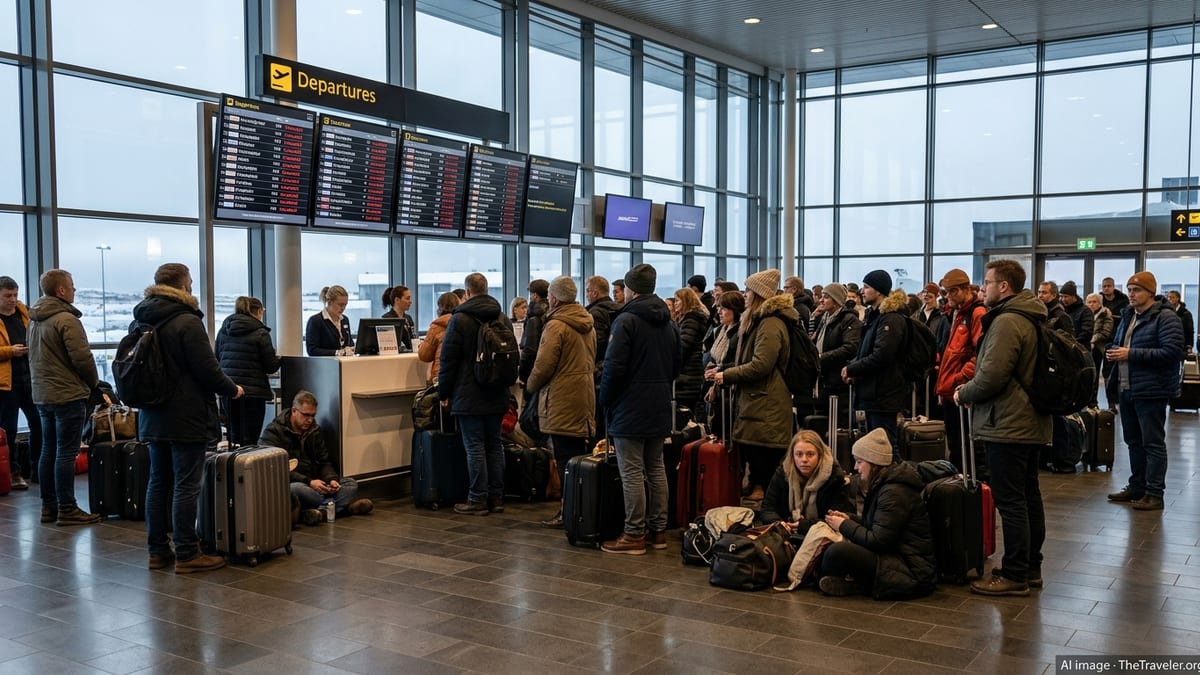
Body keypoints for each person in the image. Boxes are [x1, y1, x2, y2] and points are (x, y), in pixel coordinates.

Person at [134, 263, 242, 573]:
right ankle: (187, 552)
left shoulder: (141, 319)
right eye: (191, 283)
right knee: (186, 485)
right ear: (183, 286)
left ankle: (157, 551)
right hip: (185, 416)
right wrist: (232, 389)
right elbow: (207, 370)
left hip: (152, 414)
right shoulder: (186, 321)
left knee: (158, 482)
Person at [954, 259, 1050, 596]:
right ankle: (1030, 567)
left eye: (987, 282)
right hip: (1028, 420)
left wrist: (963, 392)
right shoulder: (1031, 315)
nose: (983, 288)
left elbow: (992, 375)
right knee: (1027, 495)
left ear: (1004, 287)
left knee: (1010, 500)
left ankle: (1013, 573)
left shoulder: (1008, 320)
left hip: (1008, 422)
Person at [599, 264, 680, 554]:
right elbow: (675, 363)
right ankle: (658, 532)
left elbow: (614, 367)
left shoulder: (626, 321)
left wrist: (605, 398)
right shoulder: (669, 321)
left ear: (631, 289)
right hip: (658, 402)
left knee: (631, 470)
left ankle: (634, 534)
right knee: (656, 467)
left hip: (629, 404)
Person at [818, 428, 937, 599]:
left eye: (859, 462)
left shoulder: (894, 492)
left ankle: (858, 584)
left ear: (874, 462)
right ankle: (853, 582)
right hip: (898, 560)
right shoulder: (887, 485)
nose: (855, 467)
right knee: (832, 553)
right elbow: (879, 526)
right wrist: (851, 519)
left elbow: (878, 540)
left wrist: (844, 525)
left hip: (911, 572)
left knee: (836, 553)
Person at [709, 269, 794, 503]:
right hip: (758, 397)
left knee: (763, 449)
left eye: (748, 290)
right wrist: (723, 370)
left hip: (766, 398)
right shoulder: (758, 320)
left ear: (758, 294)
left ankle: (763, 488)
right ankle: (757, 484)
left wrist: (727, 375)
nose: (744, 294)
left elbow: (761, 365)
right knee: (755, 447)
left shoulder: (770, 324)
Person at [1106, 272, 1185, 513]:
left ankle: (1154, 493)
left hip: (1151, 389)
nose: (1131, 294)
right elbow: (1120, 343)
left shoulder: (1166, 317)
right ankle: (1137, 486)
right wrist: (1114, 350)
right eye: (1129, 289)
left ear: (1150, 292)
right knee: (1133, 441)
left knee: (1152, 443)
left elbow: (1172, 352)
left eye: (1137, 290)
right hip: (1126, 387)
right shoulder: (1128, 315)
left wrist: (1131, 354)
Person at [27, 269, 100, 525]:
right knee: (66, 453)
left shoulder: (34, 319)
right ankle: (67, 508)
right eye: (72, 285)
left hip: (43, 394)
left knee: (48, 449)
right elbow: (82, 358)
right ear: (61, 290)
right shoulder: (66, 320)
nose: (75, 289)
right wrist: (94, 384)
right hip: (67, 394)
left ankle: (49, 507)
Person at [438, 273, 511, 515]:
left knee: (475, 446)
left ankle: (477, 498)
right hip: (498, 391)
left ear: (467, 293)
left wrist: (444, 393)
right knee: (495, 444)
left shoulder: (460, 320)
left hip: (469, 392)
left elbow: (448, 360)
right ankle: (497, 498)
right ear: (486, 289)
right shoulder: (501, 316)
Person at [526, 276, 595, 529]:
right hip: (583, 395)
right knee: (577, 455)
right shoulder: (588, 322)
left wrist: (531, 387)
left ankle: (568, 511)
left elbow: (543, 365)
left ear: (554, 298)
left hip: (561, 397)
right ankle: (579, 508)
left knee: (565, 458)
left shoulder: (556, 326)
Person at [261, 390, 374, 524]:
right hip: (296, 484)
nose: (309, 420)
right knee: (296, 489)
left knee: (350, 484)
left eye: (313, 415)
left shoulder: (314, 430)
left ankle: (319, 513)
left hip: (316, 484)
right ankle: (340, 509)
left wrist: (331, 479)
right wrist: (309, 481)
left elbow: (323, 461)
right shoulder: (274, 432)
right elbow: (275, 468)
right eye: (305, 415)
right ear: (293, 411)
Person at [842, 270, 907, 455]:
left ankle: (895, 482)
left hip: (884, 393)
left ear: (879, 291)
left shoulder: (890, 318)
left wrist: (852, 368)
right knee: (876, 446)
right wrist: (854, 369)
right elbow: (865, 351)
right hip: (873, 392)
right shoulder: (875, 316)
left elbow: (882, 356)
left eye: (866, 287)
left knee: (886, 446)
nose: (863, 291)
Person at [934, 269, 987, 475]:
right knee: (957, 447)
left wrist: (960, 379)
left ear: (965, 289)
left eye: (951, 291)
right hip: (952, 391)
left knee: (968, 448)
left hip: (962, 391)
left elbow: (980, 353)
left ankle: (975, 495)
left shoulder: (976, 313)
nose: (947, 296)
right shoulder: (956, 314)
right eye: (946, 292)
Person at [758, 430, 854, 538]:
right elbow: (767, 509)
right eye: (799, 454)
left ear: (820, 455)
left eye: (810, 454)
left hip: (821, 536)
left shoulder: (835, 477)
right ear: (792, 456)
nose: (804, 460)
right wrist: (778, 524)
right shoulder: (783, 473)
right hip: (786, 533)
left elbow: (837, 520)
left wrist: (803, 526)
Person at [215, 296, 281, 446]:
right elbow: (270, 366)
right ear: (258, 311)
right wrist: (279, 359)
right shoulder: (260, 333)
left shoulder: (224, 330)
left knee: (233, 437)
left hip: (228, 389)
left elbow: (216, 358)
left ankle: (232, 467)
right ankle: (247, 468)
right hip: (253, 392)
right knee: (250, 440)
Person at [1, 275, 38, 491]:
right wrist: (10, 352)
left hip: (29, 376)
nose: (12, 300)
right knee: (9, 429)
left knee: (39, 423)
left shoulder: (24, 313)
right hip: (6, 382)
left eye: (15, 295)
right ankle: (13, 472)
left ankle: (37, 468)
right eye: (7, 296)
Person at [813, 283, 861, 421]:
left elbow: (850, 347)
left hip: (838, 382)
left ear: (836, 300)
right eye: (821, 296)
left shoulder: (849, 319)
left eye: (826, 297)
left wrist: (822, 357)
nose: (821, 300)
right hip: (824, 379)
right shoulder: (825, 318)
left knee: (837, 422)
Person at [702, 292, 746, 437]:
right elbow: (714, 356)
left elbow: (741, 362)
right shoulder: (721, 330)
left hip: (731, 390)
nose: (719, 312)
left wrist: (719, 369)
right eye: (719, 307)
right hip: (718, 387)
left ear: (735, 310)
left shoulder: (740, 333)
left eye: (724, 308)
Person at [673, 287, 709, 412]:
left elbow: (684, 346)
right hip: (691, 372)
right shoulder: (690, 319)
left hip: (689, 373)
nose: (675, 304)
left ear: (686, 301)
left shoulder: (691, 320)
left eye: (677, 300)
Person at [417, 292, 461, 384]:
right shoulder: (463, 323)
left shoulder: (437, 326)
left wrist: (422, 346)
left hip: (440, 375)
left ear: (440, 307)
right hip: (460, 376)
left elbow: (424, 355)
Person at [305, 285, 353, 356]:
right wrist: (337, 352)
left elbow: (349, 342)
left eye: (345, 305)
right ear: (329, 302)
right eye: (340, 304)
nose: (343, 308)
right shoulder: (315, 321)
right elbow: (312, 350)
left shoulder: (345, 320)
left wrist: (351, 348)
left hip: (344, 364)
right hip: (325, 364)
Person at [518, 279, 550, 387]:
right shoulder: (551, 313)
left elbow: (530, 350)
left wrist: (522, 374)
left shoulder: (534, 319)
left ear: (535, 295)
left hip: (534, 369)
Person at [1058, 281, 1094, 349]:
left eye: (1066, 297)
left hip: (1080, 349)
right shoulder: (1060, 309)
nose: (1063, 299)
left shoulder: (1085, 311)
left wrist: (1072, 343)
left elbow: (1087, 332)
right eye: (1061, 296)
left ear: (1073, 296)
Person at [380, 285, 415, 352]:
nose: (410, 301)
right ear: (397, 300)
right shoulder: (386, 319)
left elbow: (412, 339)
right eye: (407, 298)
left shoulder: (408, 318)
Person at [1166, 290, 1194, 355]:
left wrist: (1189, 346)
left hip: (1182, 345)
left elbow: (1190, 331)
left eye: (1172, 297)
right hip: (1169, 345)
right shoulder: (1166, 312)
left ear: (1178, 298)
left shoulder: (1186, 314)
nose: (1169, 299)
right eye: (1168, 297)